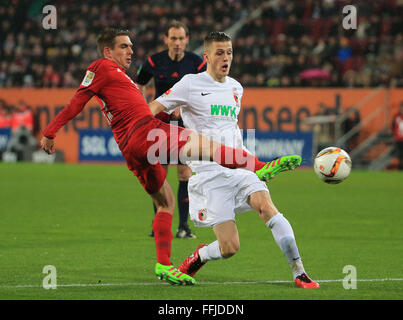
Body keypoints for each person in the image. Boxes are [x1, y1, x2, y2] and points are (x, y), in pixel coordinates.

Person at [40, 28, 301, 286]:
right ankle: (260, 166)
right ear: (108, 51)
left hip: (132, 149)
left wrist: (167, 115)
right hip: (145, 133)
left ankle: (164, 265)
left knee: (165, 202)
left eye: (131, 45)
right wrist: (50, 132)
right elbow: (77, 101)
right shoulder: (101, 67)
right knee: (206, 145)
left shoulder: (120, 78)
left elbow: (136, 108)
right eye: (124, 46)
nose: (131, 50)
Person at [148, 32, 320, 289]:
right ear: (206, 57)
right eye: (219, 53)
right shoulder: (190, 84)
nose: (226, 57)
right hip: (210, 173)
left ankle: (299, 272)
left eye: (229, 52)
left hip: (241, 167)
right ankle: (200, 256)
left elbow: (229, 128)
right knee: (230, 247)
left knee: (266, 207)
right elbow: (152, 110)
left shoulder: (236, 87)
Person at [136, 20, 206, 239]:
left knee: (184, 173)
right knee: (159, 175)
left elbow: (205, 90)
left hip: (185, 125)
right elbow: (139, 85)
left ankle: (183, 227)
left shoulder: (196, 62)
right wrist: (144, 108)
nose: (177, 43)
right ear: (166, 40)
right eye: (173, 38)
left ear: (187, 40)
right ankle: (159, 225)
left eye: (181, 38)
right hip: (160, 126)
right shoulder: (154, 61)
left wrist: (185, 108)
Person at [392, 101, 403, 170]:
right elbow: (393, 126)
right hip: (398, 140)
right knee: (400, 156)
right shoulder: (396, 116)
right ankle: (400, 170)